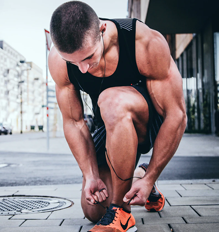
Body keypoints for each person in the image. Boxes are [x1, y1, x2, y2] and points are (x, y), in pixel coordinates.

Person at [48, 1, 187, 232]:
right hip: (109, 125)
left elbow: (177, 114)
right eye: (73, 62)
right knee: (93, 210)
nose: (82, 69)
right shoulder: (58, 60)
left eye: (89, 57)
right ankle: (136, 176)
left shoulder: (143, 41)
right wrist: (90, 175)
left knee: (111, 100)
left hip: (148, 122)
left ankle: (122, 215)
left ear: (102, 30)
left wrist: (152, 176)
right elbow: (73, 121)